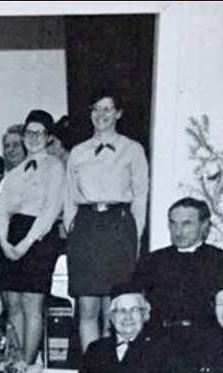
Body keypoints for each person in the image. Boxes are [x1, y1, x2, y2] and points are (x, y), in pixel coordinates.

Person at [63, 91, 150, 351]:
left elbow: (140, 198)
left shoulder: (133, 150)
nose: (101, 115)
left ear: (118, 113)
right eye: (96, 110)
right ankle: (93, 368)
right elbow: (69, 198)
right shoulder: (78, 152)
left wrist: (134, 239)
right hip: (87, 227)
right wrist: (73, 230)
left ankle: (116, 367)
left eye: (107, 109)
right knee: (87, 306)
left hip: (119, 227)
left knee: (115, 304)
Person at [131, 197, 223, 366]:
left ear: (204, 225)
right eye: (173, 223)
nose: (178, 231)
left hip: (207, 348)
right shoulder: (151, 262)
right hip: (160, 346)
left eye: (187, 224)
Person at [0, 110, 67, 364]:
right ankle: (16, 362)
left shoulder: (56, 167)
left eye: (40, 133)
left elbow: (50, 211)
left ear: (48, 138)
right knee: (13, 303)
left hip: (38, 240)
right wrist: (4, 242)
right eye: (29, 133)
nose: (33, 138)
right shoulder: (13, 173)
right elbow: (1, 211)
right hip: (12, 239)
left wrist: (24, 245)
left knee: (31, 304)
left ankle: (28, 364)